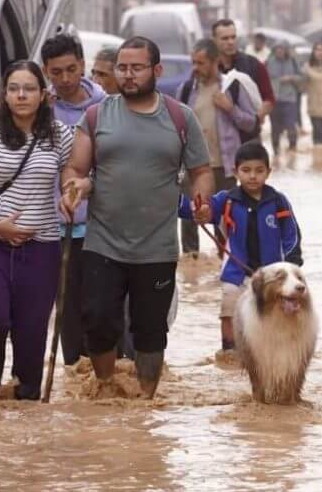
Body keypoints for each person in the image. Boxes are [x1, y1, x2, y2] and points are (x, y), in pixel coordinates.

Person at [59, 36, 213, 397]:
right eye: (122, 68)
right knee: (97, 320)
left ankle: (146, 399)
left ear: (156, 71)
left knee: (150, 330)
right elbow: (76, 168)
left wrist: (202, 201)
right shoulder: (96, 116)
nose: (128, 76)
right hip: (103, 242)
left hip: (156, 246)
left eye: (137, 68)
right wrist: (74, 188)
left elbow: (201, 170)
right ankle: (107, 388)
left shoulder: (180, 117)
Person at [0, 60, 73, 400]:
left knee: (32, 332)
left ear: (43, 95)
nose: (21, 95)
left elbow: (76, 174)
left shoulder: (60, 135)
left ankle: (25, 406)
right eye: (14, 88)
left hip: (41, 249)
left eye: (29, 89)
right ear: (5, 94)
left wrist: (71, 193)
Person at [180, 140, 302, 353]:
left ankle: (271, 353)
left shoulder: (279, 202)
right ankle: (229, 352)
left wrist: (292, 265)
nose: (252, 176)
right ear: (235, 172)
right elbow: (196, 210)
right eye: (246, 170)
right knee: (229, 310)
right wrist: (180, 203)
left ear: (268, 172)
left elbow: (292, 236)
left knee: (275, 315)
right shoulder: (226, 200)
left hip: (272, 276)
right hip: (236, 273)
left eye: (259, 171)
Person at [40, 34, 106, 365]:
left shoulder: (106, 107)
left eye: (71, 69)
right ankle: (74, 377)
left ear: (83, 65)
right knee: (66, 312)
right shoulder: (39, 111)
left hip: (101, 227)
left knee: (101, 309)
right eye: (56, 72)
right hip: (56, 228)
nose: (65, 79)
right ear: (46, 72)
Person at [177, 39, 257, 255]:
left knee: (225, 219)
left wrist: (230, 108)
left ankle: (226, 263)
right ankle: (192, 267)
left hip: (225, 166)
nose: (196, 68)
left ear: (216, 62)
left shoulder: (233, 87)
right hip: (193, 166)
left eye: (201, 63)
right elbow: (175, 127)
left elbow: (251, 122)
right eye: (193, 62)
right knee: (189, 218)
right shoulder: (185, 90)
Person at [213, 19, 275, 136]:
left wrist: (256, 118)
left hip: (248, 137)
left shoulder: (254, 65)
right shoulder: (209, 68)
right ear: (214, 40)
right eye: (225, 38)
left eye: (233, 37)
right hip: (218, 138)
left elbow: (269, 99)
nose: (230, 42)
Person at [266, 40, 302, 156]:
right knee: (275, 128)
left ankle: (292, 150)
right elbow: (262, 79)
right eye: (277, 49)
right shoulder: (269, 62)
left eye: (282, 49)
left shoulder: (292, 61)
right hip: (274, 99)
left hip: (290, 99)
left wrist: (291, 78)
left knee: (291, 126)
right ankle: (276, 152)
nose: (280, 51)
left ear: (286, 50)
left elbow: (302, 77)